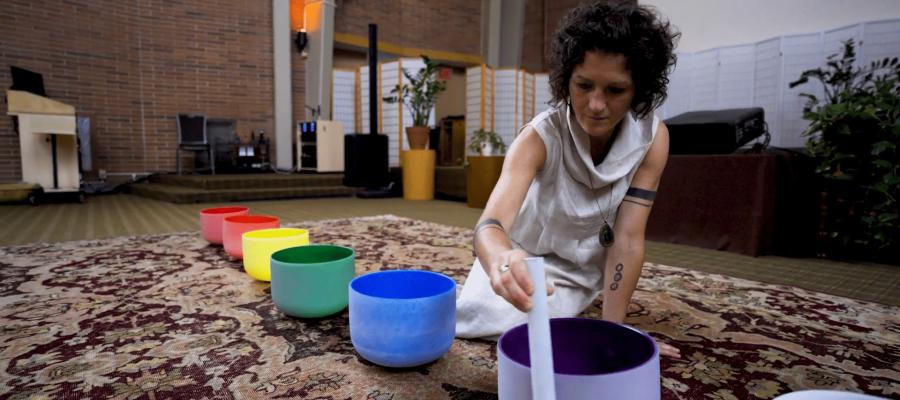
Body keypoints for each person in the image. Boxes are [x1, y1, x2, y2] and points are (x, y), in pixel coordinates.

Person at [456, 0, 681, 358]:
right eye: (584, 85)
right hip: (523, 260)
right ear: (565, 79)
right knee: (475, 318)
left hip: (582, 273)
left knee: (569, 335)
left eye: (615, 90)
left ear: (639, 88)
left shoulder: (653, 139)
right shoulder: (539, 137)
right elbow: (490, 224)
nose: (595, 105)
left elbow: (627, 239)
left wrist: (614, 332)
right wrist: (500, 260)